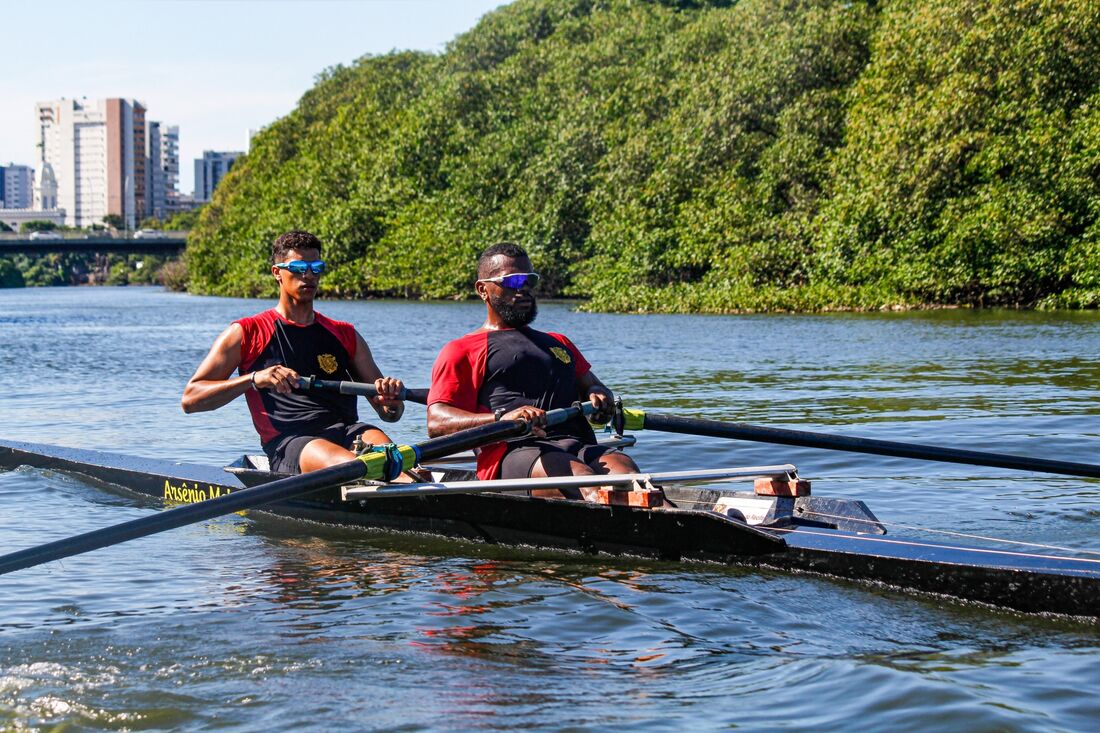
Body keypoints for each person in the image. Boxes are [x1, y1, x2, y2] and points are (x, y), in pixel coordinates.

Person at [181, 230, 407, 475]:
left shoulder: (345, 334)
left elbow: (389, 414)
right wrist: (254, 379)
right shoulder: (246, 332)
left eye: (316, 267)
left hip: (351, 431)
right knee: (359, 467)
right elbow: (190, 400)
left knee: (401, 463)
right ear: (277, 272)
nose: (308, 275)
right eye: (298, 267)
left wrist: (392, 401)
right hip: (292, 443)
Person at [426, 242, 639, 500]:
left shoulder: (559, 342)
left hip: (580, 445)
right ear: (483, 290)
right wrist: (502, 419)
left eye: (530, 280)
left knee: (631, 480)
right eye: (513, 281)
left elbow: (594, 388)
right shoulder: (462, 350)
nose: (524, 288)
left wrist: (599, 396)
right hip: (514, 453)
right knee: (587, 485)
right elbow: (436, 422)